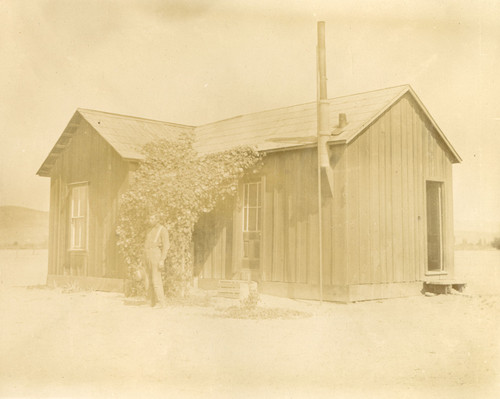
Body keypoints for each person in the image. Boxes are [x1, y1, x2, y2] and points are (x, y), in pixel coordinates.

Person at [143, 213, 170, 307]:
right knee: (147, 279)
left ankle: (162, 303)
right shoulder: (149, 230)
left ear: (157, 219)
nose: (150, 220)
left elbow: (166, 246)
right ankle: (151, 302)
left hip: (156, 255)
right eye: (149, 218)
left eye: (152, 218)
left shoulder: (163, 230)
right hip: (147, 255)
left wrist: (162, 259)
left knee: (156, 280)